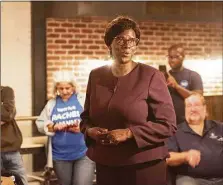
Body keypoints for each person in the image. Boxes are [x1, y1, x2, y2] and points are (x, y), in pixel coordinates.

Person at [80, 16, 177, 185]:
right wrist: (90, 131)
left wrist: (129, 133)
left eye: (132, 40)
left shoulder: (151, 76)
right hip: (107, 164)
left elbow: (168, 124)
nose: (126, 45)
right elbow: (85, 118)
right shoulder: (96, 76)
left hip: (144, 165)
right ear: (109, 43)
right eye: (120, 39)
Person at [36, 71, 95, 185]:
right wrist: (52, 126)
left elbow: (95, 120)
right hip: (60, 155)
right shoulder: (51, 104)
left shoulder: (83, 100)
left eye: (67, 88)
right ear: (56, 89)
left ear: (73, 87)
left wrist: (82, 127)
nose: (64, 91)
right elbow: (40, 123)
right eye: (60, 88)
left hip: (84, 153)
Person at [167, 93, 223, 185]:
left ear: (205, 109)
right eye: (189, 106)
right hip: (191, 179)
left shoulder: (219, 127)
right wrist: (185, 156)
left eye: (196, 105)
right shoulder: (175, 132)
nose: (192, 109)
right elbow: (168, 158)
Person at [166, 44, 203, 125]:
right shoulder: (165, 76)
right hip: (168, 123)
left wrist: (176, 86)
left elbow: (197, 98)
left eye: (176, 57)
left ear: (183, 57)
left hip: (188, 122)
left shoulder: (193, 75)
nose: (172, 60)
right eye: (170, 57)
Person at [1, 86, 28, 185]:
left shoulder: (5, 91)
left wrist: (8, 113)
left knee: (21, 182)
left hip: (12, 150)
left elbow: (7, 114)